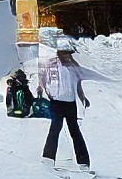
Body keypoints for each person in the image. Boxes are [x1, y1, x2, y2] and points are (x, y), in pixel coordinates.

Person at [35, 36, 94, 170]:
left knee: (75, 131)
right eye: (65, 53)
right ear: (59, 53)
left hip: (70, 103)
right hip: (56, 103)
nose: (67, 56)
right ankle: (48, 159)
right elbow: (42, 78)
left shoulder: (74, 66)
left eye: (69, 53)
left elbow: (78, 84)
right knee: (55, 129)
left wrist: (83, 97)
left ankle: (84, 163)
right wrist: (41, 89)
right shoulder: (51, 65)